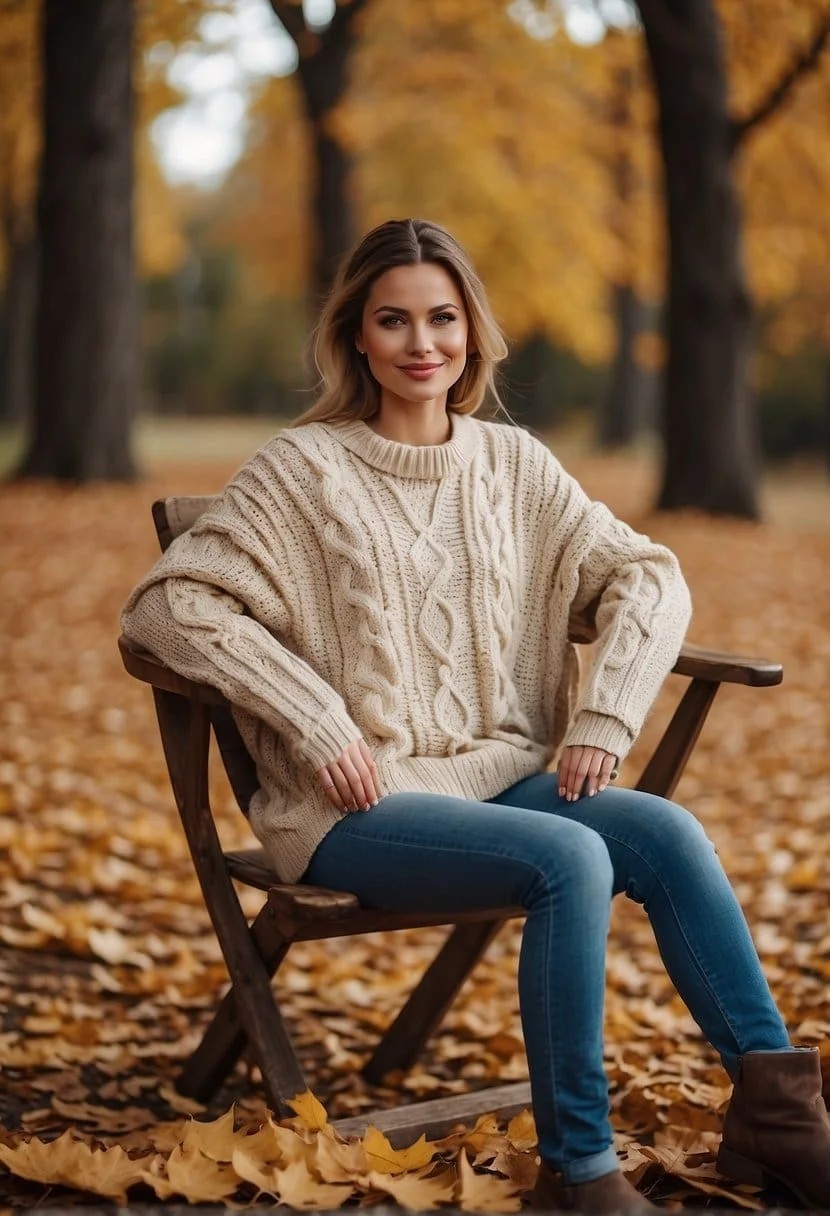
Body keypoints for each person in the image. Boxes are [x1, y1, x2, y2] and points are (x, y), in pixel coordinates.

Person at [121, 218, 829, 1212]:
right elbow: (167, 604)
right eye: (394, 320)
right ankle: (578, 1169)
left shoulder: (514, 465)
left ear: (471, 330)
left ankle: (778, 1118)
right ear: (354, 336)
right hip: (353, 808)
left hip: (505, 778)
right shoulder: (303, 468)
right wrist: (313, 714)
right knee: (570, 859)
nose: (422, 344)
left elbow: (647, 575)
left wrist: (605, 712)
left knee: (663, 830)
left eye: (442, 317)